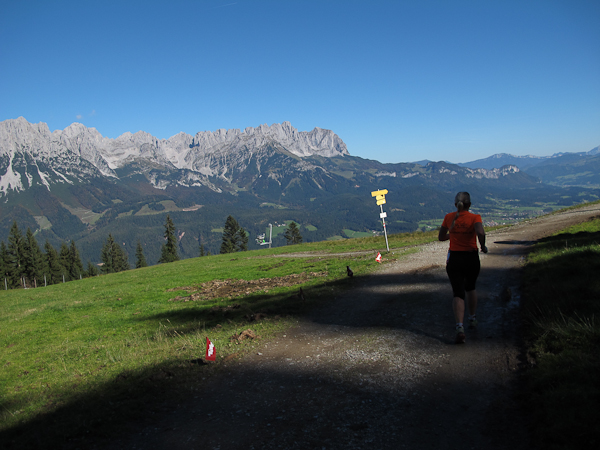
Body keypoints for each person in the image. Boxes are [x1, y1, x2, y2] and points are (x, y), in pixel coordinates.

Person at [438, 192, 487, 344]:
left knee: (458, 293)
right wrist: (483, 246)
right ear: (469, 205)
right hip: (471, 257)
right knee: (470, 287)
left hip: (455, 258)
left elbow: (441, 237)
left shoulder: (448, 217)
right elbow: (480, 232)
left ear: (455, 204)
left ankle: (459, 327)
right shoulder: (475, 217)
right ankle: (472, 318)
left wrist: (453, 235)